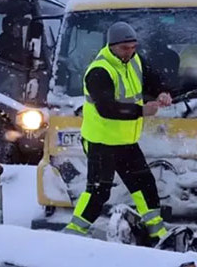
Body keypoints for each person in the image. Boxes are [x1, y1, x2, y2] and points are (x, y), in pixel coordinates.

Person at [63, 21, 172, 244]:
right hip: (100, 142)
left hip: (126, 142)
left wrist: (162, 92)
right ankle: (73, 234)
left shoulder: (135, 60)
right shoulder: (99, 71)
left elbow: (153, 79)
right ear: (111, 46)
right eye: (125, 48)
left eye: (133, 47)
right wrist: (141, 111)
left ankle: (157, 233)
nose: (130, 52)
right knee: (99, 191)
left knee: (145, 185)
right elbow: (107, 108)